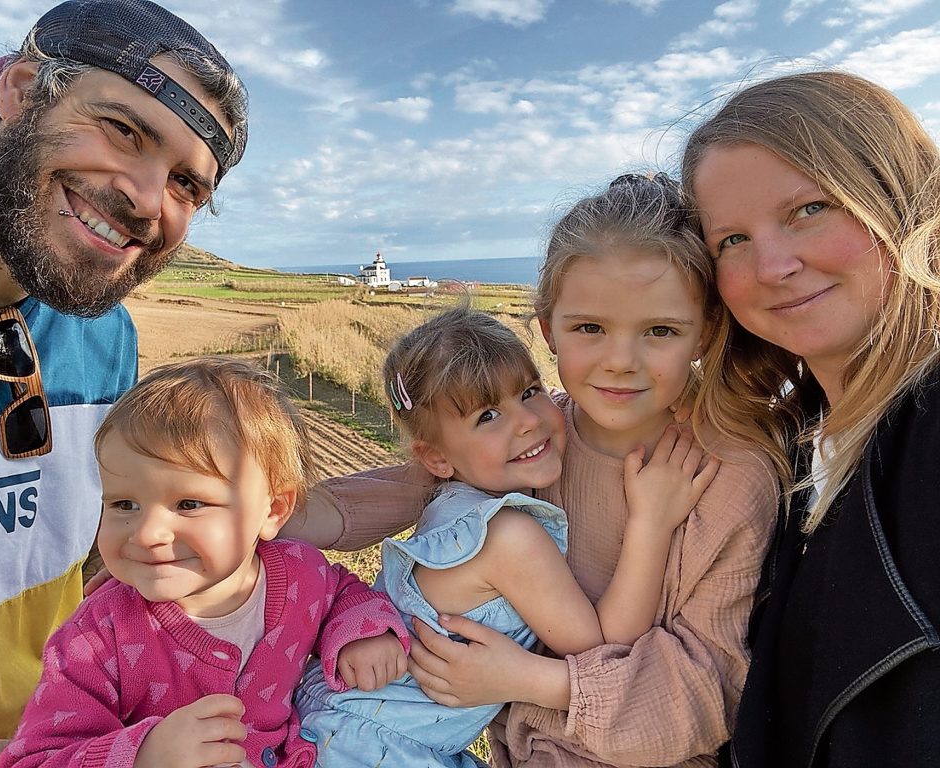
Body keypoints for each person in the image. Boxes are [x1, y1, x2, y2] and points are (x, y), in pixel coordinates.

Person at [285, 174, 779, 766]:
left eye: (661, 331)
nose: (620, 362)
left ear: (706, 332)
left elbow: (715, 691)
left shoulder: (729, 476)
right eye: (590, 328)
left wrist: (530, 680)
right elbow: (381, 493)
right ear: (547, 330)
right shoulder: (533, 448)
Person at [0, 1, 248, 763]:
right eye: (124, 131)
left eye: (187, 187)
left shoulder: (107, 337)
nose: (145, 200)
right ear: (23, 92)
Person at [291, 307, 718, 767]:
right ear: (435, 458)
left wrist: (680, 385)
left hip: (342, 724)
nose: (528, 421)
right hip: (374, 750)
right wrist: (651, 523)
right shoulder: (508, 536)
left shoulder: (451, 505)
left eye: (530, 391)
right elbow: (605, 643)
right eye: (488, 415)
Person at [681, 70, 940, 767]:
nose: (772, 265)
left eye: (808, 209)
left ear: (897, 196)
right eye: (730, 240)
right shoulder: (798, 442)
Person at [0, 357, 410, 768]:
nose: (146, 534)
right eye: (124, 504)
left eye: (189, 504)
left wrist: (363, 632)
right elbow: (32, 760)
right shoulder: (96, 639)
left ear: (273, 511)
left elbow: (342, 593)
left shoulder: (301, 574)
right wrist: (143, 756)